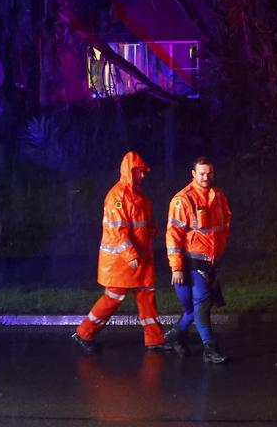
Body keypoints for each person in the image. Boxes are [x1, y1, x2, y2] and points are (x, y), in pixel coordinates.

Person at [72, 151, 171, 354]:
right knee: (113, 298)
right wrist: (131, 254)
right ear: (130, 171)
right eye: (140, 172)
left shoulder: (136, 193)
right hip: (122, 262)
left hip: (139, 258)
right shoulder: (117, 197)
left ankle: (155, 339)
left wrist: (151, 231)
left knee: (146, 296)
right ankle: (84, 333)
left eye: (144, 172)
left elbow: (142, 222)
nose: (143, 175)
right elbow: (118, 230)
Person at [162, 156, 232, 364]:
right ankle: (209, 348)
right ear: (193, 174)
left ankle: (176, 334)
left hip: (211, 262)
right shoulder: (182, 199)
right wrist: (176, 267)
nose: (205, 177)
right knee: (202, 302)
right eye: (201, 173)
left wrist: (219, 248)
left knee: (196, 307)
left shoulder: (218, 195)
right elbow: (173, 235)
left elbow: (225, 222)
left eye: (209, 173)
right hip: (191, 263)